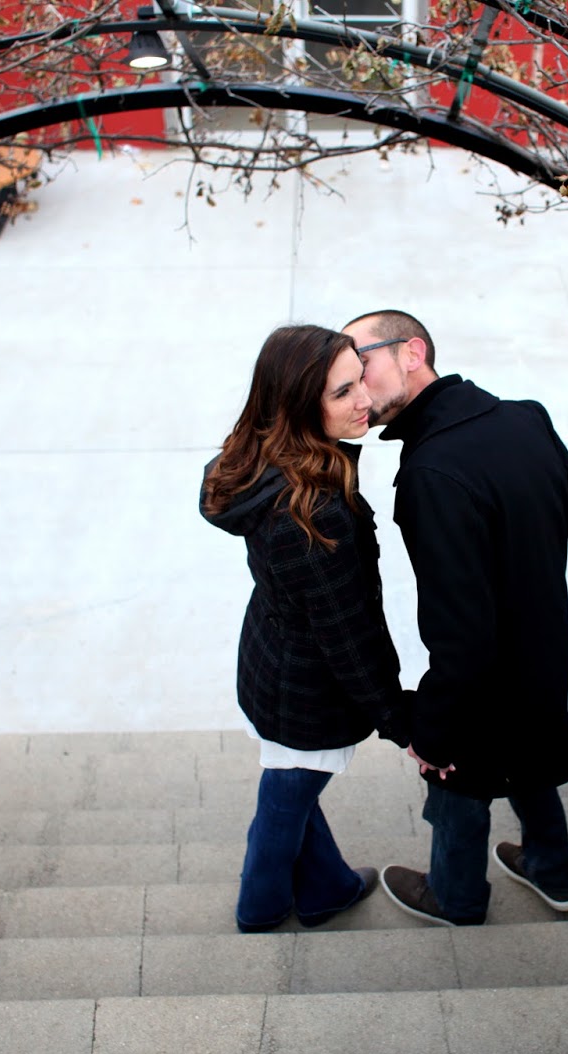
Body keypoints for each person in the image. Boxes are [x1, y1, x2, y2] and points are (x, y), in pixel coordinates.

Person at [343, 309, 568, 927]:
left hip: (482, 679)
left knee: (456, 781)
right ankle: (554, 872)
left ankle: (455, 895)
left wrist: (434, 734)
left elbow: (460, 632)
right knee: (530, 757)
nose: (355, 388)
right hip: (544, 655)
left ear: (412, 353)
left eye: (360, 365)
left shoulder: (430, 474)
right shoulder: (521, 417)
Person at [200, 324, 408, 933]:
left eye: (360, 379)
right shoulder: (313, 513)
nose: (364, 401)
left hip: (272, 657)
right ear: (297, 407)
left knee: (295, 785)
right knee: (287, 795)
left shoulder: (264, 458)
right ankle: (260, 907)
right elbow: (348, 635)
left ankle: (326, 889)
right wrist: (399, 720)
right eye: (343, 393)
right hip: (306, 688)